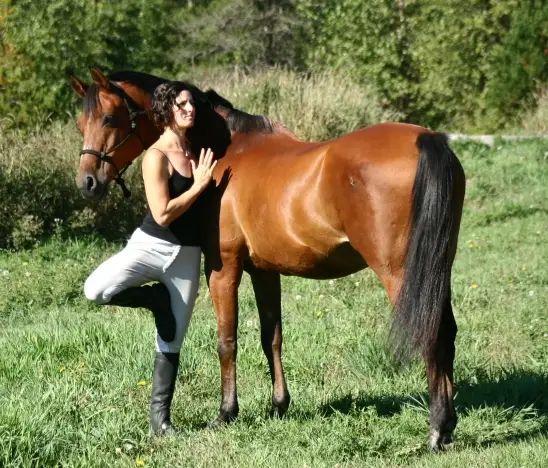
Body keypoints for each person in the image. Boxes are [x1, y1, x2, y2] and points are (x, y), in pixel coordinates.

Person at [83, 80, 217, 435]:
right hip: (150, 246)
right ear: (165, 112)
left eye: (191, 103)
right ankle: (153, 298)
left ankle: (160, 422)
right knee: (95, 290)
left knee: (173, 340)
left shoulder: (199, 151)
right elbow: (162, 214)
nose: (189, 109)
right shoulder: (155, 155)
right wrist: (200, 185)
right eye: (180, 105)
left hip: (187, 256)